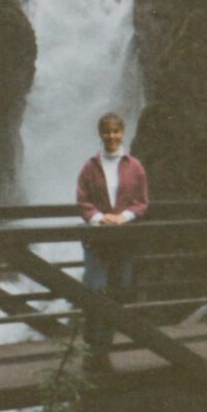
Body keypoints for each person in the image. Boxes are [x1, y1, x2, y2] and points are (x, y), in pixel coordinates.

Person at [75, 112, 148, 373]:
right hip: (96, 239)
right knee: (96, 290)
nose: (111, 136)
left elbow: (141, 202)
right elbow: (83, 202)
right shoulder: (89, 167)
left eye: (116, 131)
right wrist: (99, 218)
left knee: (118, 292)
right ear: (100, 134)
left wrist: (124, 217)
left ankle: (104, 348)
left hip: (123, 240)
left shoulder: (135, 166)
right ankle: (91, 347)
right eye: (107, 131)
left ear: (122, 133)